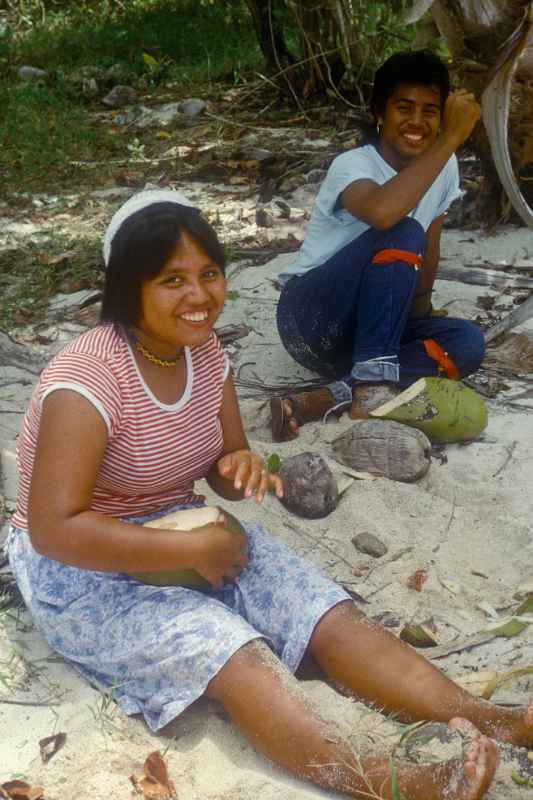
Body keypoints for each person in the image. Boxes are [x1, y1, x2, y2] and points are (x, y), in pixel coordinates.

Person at [7, 190, 532, 800]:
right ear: (129, 289)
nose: (199, 296)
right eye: (172, 279)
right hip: (80, 566)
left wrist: (242, 467)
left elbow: (222, 467)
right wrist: (193, 548)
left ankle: (494, 718)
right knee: (230, 650)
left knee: (319, 607)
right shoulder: (87, 380)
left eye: (209, 274)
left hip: (181, 526)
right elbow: (53, 529)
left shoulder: (204, 355)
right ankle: (402, 783)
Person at [271, 50, 486, 441]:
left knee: (468, 344)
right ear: (379, 114)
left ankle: (338, 392)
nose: (417, 122)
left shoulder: (443, 166)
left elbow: (427, 257)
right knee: (402, 231)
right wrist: (453, 136)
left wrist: (422, 316)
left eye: (431, 111)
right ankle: (371, 386)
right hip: (311, 320)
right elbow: (386, 215)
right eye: (404, 108)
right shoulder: (353, 164)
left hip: (373, 333)